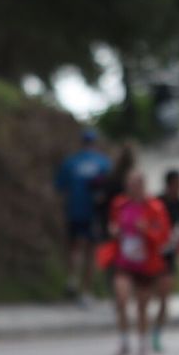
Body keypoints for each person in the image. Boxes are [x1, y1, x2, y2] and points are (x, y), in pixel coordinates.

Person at [100, 171, 169, 355]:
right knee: (121, 300)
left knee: (142, 306)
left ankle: (142, 343)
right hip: (124, 262)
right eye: (130, 184)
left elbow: (163, 235)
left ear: (143, 185)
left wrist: (145, 230)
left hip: (146, 264)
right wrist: (114, 231)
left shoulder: (155, 207)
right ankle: (123, 342)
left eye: (136, 184)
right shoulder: (120, 204)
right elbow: (113, 225)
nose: (132, 187)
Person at [55, 128, 113, 304]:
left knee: (74, 247)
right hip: (93, 213)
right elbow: (109, 189)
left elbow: (60, 187)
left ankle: (72, 278)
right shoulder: (103, 163)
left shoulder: (71, 162)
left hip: (74, 210)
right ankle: (86, 291)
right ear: (94, 143)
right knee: (90, 251)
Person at [153, 169, 179, 351]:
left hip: (168, 256)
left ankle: (156, 334)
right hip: (152, 255)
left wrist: (177, 236)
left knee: (164, 297)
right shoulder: (156, 202)